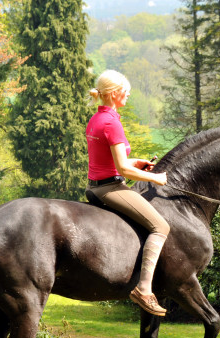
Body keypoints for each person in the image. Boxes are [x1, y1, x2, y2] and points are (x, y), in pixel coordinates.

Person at [86, 70, 169, 317]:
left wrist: (137, 162)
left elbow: (113, 161)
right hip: (110, 188)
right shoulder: (112, 123)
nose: (129, 94)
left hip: (97, 184)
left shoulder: (97, 119)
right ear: (114, 93)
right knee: (160, 227)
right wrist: (156, 177)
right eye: (126, 90)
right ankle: (143, 289)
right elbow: (122, 169)